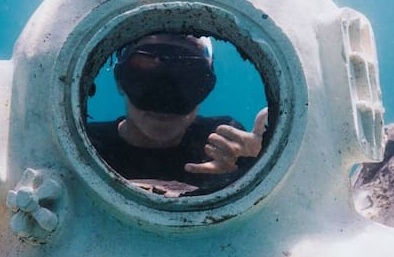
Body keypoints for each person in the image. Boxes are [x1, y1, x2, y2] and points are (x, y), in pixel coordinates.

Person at [86, 33, 268, 192]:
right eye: (146, 77)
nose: (164, 100)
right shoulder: (85, 145)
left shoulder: (225, 141)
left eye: (187, 79)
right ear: (120, 81)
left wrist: (254, 168)